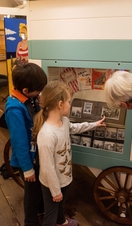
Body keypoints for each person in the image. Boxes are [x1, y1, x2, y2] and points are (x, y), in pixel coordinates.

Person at [32, 81, 106, 226]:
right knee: (51, 215)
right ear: (60, 104)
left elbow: (74, 127)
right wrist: (55, 191)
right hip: (51, 184)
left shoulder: (64, 121)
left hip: (65, 178)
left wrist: (94, 124)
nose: (70, 105)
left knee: (60, 204)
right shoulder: (47, 135)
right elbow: (47, 168)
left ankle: (62, 222)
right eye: (69, 101)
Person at [5, 62, 47, 226]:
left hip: (37, 154)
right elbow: (19, 142)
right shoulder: (14, 109)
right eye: (38, 90)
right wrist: (27, 169)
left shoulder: (30, 99)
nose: (40, 93)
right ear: (25, 91)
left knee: (40, 188)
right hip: (28, 160)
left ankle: (42, 210)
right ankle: (30, 221)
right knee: (32, 193)